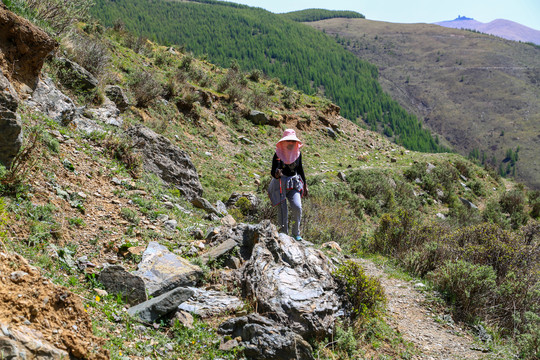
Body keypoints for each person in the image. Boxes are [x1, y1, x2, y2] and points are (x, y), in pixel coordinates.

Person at [268, 129, 308, 240]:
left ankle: (296, 233)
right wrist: (277, 173)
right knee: (282, 210)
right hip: (280, 183)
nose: (291, 143)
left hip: (294, 182)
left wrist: (305, 185)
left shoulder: (297, 154)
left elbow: (300, 169)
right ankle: (284, 234)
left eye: (292, 141)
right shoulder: (278, 154)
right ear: (284, 142)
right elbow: (273, 171)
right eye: (288, 140)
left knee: (297, 207)